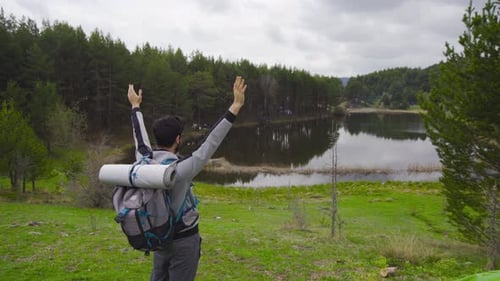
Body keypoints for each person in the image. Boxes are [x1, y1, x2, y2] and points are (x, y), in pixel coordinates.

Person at [127, 76, 247, 281]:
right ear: (177, 139)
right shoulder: (180, 171)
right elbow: (210, 143)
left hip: (159, 237)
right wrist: (235, 106)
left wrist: (135, 107)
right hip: (184, 241)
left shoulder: (144, 161)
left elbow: (140, 138)